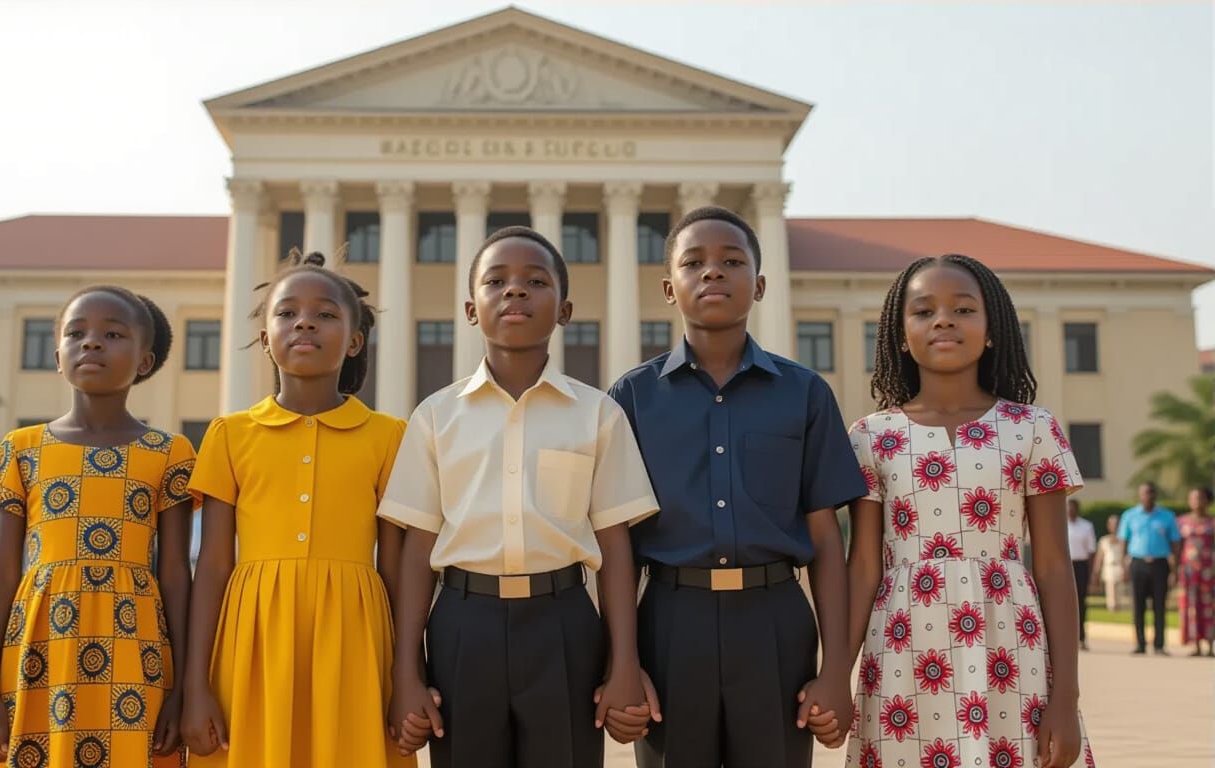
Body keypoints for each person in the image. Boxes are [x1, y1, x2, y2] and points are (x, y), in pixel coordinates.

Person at [382, 227, 658, 768]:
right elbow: (417, 551)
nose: (515, 291)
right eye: (496, 281)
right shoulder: (436, 417)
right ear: (470, 308)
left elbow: (615, 546)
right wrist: (406, 671)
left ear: (565, 309)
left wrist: (624, 660)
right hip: (463, 624)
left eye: (535, 281)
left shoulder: (597, 414)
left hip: (564, 625)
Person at [607, 206, 860, 767]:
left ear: (761, 284)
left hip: (775, 622)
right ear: (669, 288)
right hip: (671, 622)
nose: (713, 273)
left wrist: (836, 670)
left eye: (732, 261)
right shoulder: (631, 398)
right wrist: (621, 663)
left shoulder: (805, 394)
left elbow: (826, 540)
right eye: (694, 262)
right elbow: (615, 544)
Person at [836, 254, 1092, 768]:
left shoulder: (1032, 428)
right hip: (903, 647)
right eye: (924, 311)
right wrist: (835, 674)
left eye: (963, 309)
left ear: (992, 329)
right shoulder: (871, 436)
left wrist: (1066, 699)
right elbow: (863, 566)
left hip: (1009, 645)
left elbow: (1052, 566)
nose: (944, 320)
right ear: (899, 334)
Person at [180, 249, 412, 768]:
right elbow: (213, 565)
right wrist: (194, 686)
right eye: (286, 313)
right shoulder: (229, 434)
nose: (304, 321)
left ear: (354, 341)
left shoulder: (389, 436)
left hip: (356, 635)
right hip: (252, 636)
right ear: (265, 338)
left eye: (326, 314)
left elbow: (395, 569)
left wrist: (406, 677)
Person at [0, 286, 195, 767]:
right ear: (57, 357)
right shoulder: (20, 449)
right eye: (76, 333)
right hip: (37, 647)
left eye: (112, 334)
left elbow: (176, 573)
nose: (91, 344)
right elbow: (1, 572)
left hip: (137, 649)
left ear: (145, 360)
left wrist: (181, 687)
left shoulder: (169, 452)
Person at [1119, 481, 1181, 655]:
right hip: (1137, 563)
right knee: (1138, 606)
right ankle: (1140, 644)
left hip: (1160, 564)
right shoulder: (1130, 516)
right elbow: (1124, 541)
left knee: (1159, 606)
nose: (1148, 496)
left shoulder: (1167, 516)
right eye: (1145, 493)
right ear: (1140, 495)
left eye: (1151, 492)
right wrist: (1124, 566)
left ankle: (1159, 645)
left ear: (1155, 495)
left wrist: (1175, 570)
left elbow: (1175, 542)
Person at [1177, 486, 1215, 656]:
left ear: (1207, 500)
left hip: (1210, 571)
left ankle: (1210, 645)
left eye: (1199, 498)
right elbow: (1177, 547)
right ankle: (1196, 645)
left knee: (1210, 607)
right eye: (1192, 498)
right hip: (1189, 572)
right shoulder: (1181, 522)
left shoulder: (1212, 522)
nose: (1196, 501)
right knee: (1192, 606)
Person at [1066, 499, 1097, 650]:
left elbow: (1091, 551)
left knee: (1080, 603)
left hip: (1081, 566)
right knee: (1063, 603)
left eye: (1073, 508)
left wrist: (1092, 574)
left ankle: (1081, 638)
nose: (1070, 510)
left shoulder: (1086, 526)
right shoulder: (1060, 525)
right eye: (1068, 508)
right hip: (1065, 567)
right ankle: (1064, 638)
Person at [1094, 514, 1127, 611]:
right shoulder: (1104, 540)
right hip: (1109, 568)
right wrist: (1096, 572)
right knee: (1111, 594)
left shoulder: (1124, 540)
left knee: (1122, 594)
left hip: (1121, 568)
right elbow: (1099, 558)